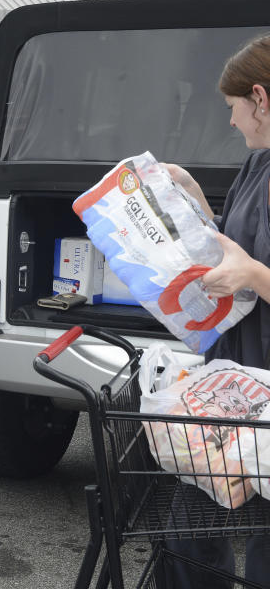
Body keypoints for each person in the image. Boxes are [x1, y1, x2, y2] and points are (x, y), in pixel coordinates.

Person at [162, 33, 270, 588]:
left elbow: (249, 265)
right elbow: (232, 241)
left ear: (260, 98)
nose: (231, 123)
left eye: (232, 109)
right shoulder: (258, 164)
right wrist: (194, 195)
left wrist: (253, 276)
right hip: (238, 378)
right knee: (191, 512)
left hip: (263, 385)